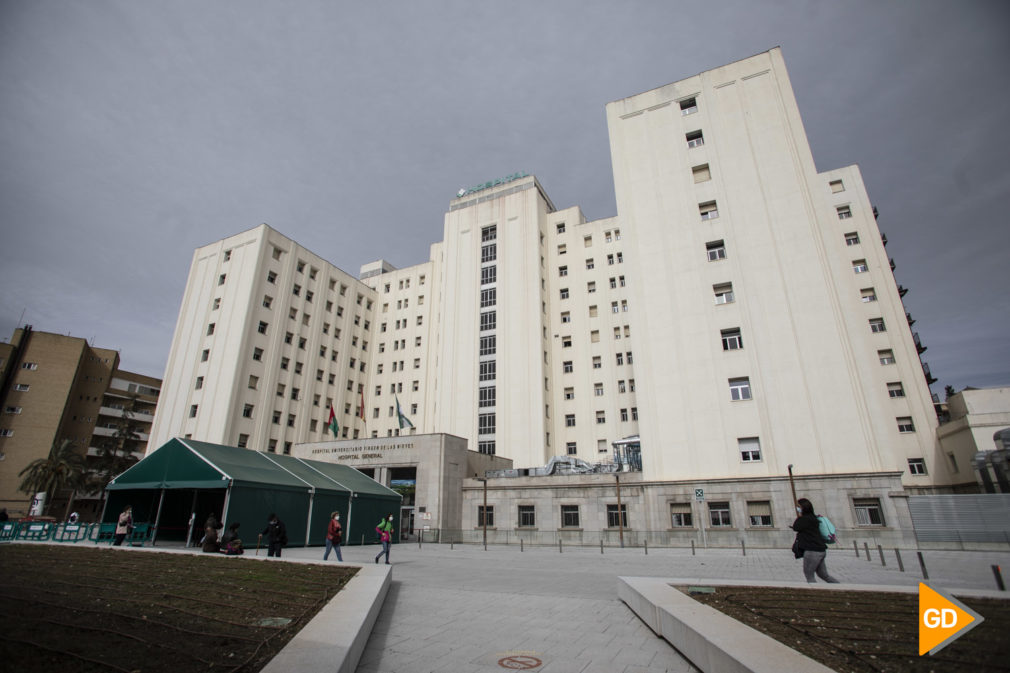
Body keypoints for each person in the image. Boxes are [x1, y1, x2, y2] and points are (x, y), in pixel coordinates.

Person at [791, 498, 840, 583]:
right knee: (824, 575)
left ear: (803, 508)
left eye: (798, 507)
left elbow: (796, 527)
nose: (797, 508)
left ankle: (814, 590)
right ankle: (840, 587)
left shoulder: (804, 519)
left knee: (809, 576)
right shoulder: (814, 518)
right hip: (821, 549)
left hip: (812, 550)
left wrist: (799, 515)